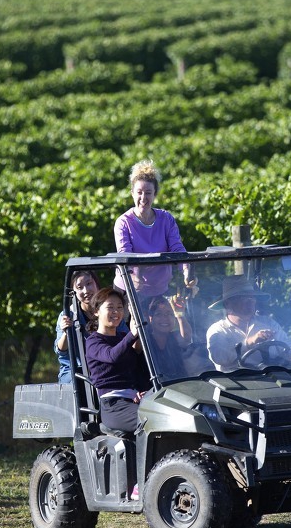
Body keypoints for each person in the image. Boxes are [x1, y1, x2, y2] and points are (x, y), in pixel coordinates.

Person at [113, 159, 193, 298]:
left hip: (159, 290)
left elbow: (177, 248)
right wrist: (133, 277)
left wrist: (186, 269)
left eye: (148, 193)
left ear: (155, 194)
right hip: (129, 289)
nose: (143, 197)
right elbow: (125, 255)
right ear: (132, 193)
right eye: (139, 192)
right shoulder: (123, 222)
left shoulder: (166, 219)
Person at [84, 286, 149, 435]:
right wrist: (133, 333)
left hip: (135, 400)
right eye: (110, 307)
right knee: (150, 421)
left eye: (120, 307)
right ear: (96, 311)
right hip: (113, 405)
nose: (116, 312)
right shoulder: (93, 342)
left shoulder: (122, 337)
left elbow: (137, 354)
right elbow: (112, 356)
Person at [206, 275, 291, 372]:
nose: (251, 301)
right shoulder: (218, 330)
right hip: (234, 381)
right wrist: (249, 343)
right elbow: (219, 357)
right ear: (227, 303)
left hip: (273, 378)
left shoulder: (269, 323)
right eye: (243, 297)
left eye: (252, 297)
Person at [54, 270, 99, 385]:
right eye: (80, 287)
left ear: (96, 283)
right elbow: (61, 351)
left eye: (89, 283)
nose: (86, 290)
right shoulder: (68, 314)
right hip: (76, 371)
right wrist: (66, 333)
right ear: (73, 292)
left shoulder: (110, 310)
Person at [140, 294, 196, 379]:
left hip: (181, 384)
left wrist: (180, 315)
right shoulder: (145, 340)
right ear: (150, 318)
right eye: (159, 314)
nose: (164, 318)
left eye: (169, 314)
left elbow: (186, 338)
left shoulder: (175, 337)